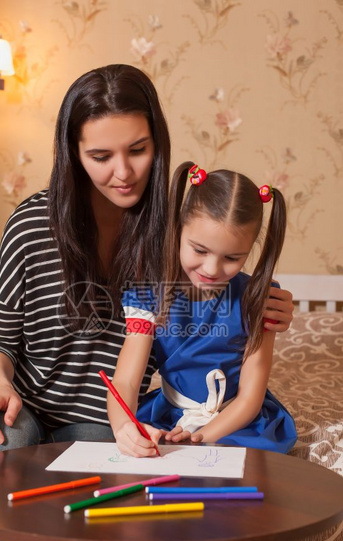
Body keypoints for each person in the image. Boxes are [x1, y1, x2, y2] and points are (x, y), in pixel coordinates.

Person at [0, 64, 294, 541]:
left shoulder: (173, 233)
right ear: (73, 154)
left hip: (105, 410)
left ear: (158, 142)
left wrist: (267, 299)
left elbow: (223, 276)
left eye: (138, 149)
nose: (123, 172)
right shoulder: (30, 226)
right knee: (9, 439)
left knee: (121, 478)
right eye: (100, 157)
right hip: (25, 397)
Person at [107, 163, 297, 458]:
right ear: (179, 229)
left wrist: (199, 437)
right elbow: (126, 381)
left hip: (236, 421)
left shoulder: (259, 299)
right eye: (199, 250)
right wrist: (123, 427)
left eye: (233, 258)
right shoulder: (148, 295)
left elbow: (250, 398)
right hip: (170, 416)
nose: (211, 269)